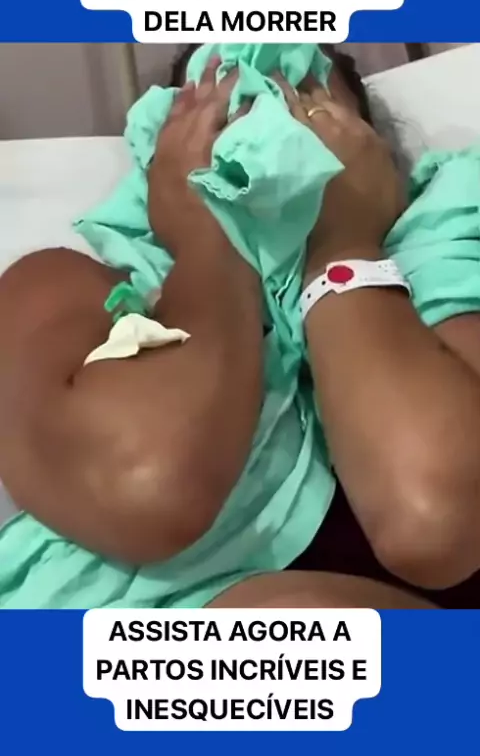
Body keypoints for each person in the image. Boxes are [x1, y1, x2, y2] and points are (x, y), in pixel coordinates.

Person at [1, 44, 480, 610]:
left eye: (308, 110)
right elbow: (148, 486)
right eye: (223, 117)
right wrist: (209, 235)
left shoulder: (441, 267)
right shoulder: (56, 289)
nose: (265, 136)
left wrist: (342, 246)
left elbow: (434, 521)